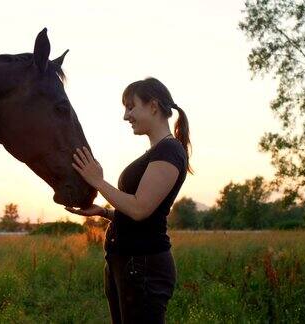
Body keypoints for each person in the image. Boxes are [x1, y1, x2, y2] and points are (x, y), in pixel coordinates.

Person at [65, 77, 192, 323]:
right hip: (126, 263)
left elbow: (140, 209)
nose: (126, 116)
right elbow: (144, 212)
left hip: (142, 267)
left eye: (131, 107)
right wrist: (105, 213)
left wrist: (98, 181)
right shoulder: (158, 152)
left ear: (153, 106)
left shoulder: (170, 151)